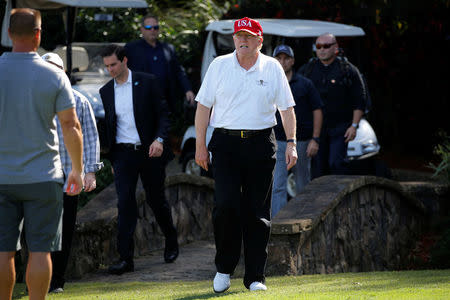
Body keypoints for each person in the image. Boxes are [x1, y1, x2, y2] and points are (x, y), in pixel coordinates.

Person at [195, 17, 297, 293]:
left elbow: (287, 109)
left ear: (259, 41)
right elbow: (203, 107)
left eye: (249, 36)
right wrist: (200, 145)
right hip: (226, 143)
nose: (242, 40)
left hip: (261, 142)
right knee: (226, 206)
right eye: (239, 36)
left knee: (257, 212)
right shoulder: (219, 66)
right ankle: (224, 269)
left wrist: (292, 143)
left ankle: (255, 277)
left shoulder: (273, 67)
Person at [0, 8, 83, 300]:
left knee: (3, 249)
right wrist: (77, 169)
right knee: (39, 250)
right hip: (43, 176)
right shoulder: (54, 76)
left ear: (8, 33)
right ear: (38, 35)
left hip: (1, 176)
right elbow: (71, 126)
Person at [99, 44, 178, 275]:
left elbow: (163, 114)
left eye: (113, 64)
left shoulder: (147, 81)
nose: (110, 69)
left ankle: (171, 238)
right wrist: (113, 159)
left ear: (124, 61)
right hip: (123, 154)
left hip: (150, 151)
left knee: (156, 200)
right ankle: (126, 259)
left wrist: (160, 139)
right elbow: (109, 128)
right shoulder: (106, 91)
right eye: (106, 66)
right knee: (125, 203)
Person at [41, 53, 103, 294]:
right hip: (40, 176)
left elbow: (90, 138)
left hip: (70, 176)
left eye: (55, 69)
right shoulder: (34, 99)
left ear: (63, 72)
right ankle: (40, 276)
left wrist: (90, 172)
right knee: (39, 228)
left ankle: (57, 279)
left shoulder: (79, 100)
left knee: (65, 229)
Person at [299, 33, 365, 177]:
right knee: (318, 169)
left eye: (326, 46)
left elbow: (360, 100)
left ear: (335, 47)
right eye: (318, 46)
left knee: (336, 164)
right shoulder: (307, 70)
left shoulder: (348, 70)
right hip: (315, 129)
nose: (322, 49)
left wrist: (354, 126)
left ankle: (339, 197)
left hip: (340, 127)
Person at [271, 45, 323, 216]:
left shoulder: (305, 84)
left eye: (286, 58)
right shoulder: (267, 83)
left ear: (292, 61)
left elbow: (317, 110)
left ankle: (303, 220)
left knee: (302, 184)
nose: (282, 61)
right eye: (279, 58)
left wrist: (315, 139)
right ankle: (277, 225)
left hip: (301, 142)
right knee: (277, 185)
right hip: (276, 142)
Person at [125, 14, 195, 112]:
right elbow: (123, 72)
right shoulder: (131, 49)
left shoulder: (168, 49)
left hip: (166, 102)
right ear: (142, 29)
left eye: (155, 27)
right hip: (142, 102)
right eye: (148, 27)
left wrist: (188, 90)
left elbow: (178, 71)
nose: (152, 30)